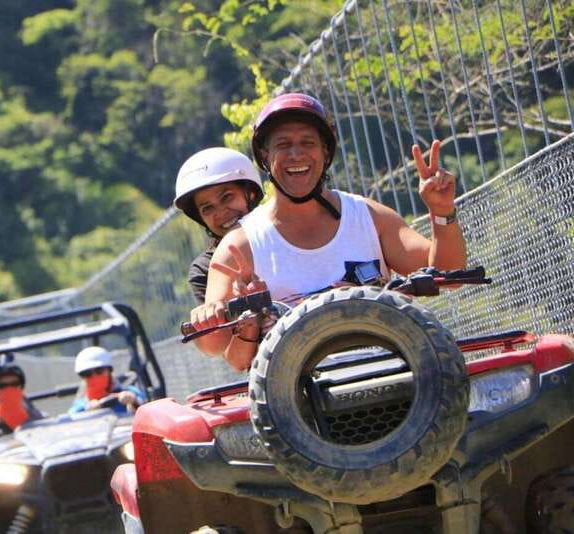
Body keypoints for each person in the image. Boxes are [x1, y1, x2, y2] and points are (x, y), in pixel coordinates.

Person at [192, 92, 466, 370]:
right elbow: (212, 344)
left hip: (396, 373)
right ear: (265, 155)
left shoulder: (369, 217)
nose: (296, 154)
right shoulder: (239, 247)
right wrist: (215, 314)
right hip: (297, 401)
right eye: (283, 144)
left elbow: (449, 275)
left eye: (307, 142)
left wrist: (441, 211)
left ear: (325, 150)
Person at [174, 147, 264, 354]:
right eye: (207, 209)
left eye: (226, 197)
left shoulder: (286, 230)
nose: (221, 212)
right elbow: (224, 350)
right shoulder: (205, 268)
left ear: (250, 193)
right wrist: (208, 318)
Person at [68, 346, 147, 416]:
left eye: (99, 371)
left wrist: (134, 402)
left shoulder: (131, 392)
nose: (94, 377)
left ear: (109, 371)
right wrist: (87, 413)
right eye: (86, 373)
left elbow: (145, 408)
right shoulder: (80, 406)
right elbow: (70, 420)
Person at [0, 353, 44, 431]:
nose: (9, 389)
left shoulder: (31, 411)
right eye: (2, 386)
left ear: (21, 386)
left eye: (14, 384)